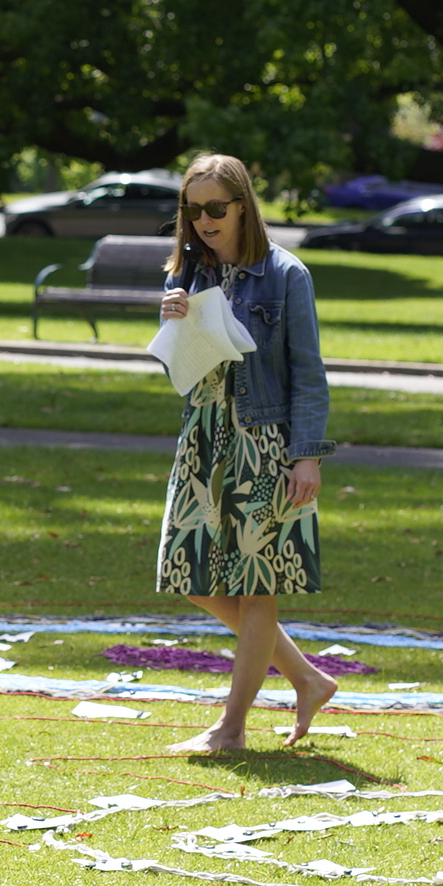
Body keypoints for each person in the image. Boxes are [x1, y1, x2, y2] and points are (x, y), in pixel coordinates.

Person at [152, 152, 339, 755]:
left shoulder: (287, 275)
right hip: (204, 436)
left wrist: (306, 455)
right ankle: (307, 679)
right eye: (193, 208)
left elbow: (308, 373)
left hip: (265, 443)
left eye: (215, 209)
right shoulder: (186, 271)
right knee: (190, 572)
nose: (204, 220)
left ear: (242, 207)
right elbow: (181, 366)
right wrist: (173, 321)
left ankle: (230, 729)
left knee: (257, 585)